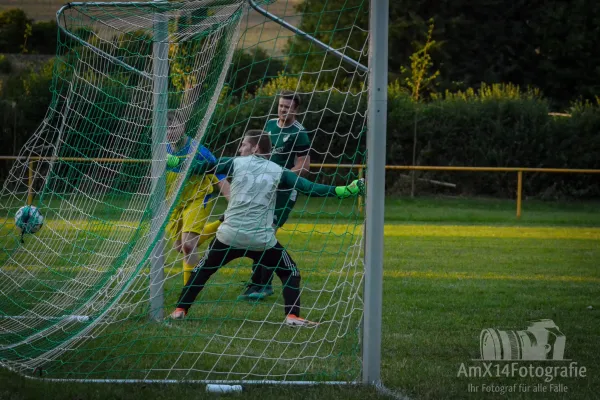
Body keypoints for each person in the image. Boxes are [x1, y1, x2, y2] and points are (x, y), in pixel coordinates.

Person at [168, 130, 363, 327]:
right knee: (290, 272)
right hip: (260, 240)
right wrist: (345, 190)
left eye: (244, 144)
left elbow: (201, 167)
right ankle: (292, 316)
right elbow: (310, 188)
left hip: (229, 235)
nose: (240, 148)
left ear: (255, 148)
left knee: (202, 270)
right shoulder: (279, 171)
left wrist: (174, 162)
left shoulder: (234, 162)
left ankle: (180, 310)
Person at [242, 90, 311, 300]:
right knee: (258, 230)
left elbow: (304, 166)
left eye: (288, 107)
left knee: (266, 231)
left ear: (296, 110)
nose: (283, 110)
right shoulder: (270, 126)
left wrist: (282, 175)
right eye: (281, 105)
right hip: (264, 188)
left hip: (284, 192)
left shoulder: (300, 133)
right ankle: (260, 282)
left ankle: (261, 284)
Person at [165, 111, 230, 285]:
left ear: (183, 126)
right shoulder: (162, 148)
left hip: (198, 197)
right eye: (166, 129)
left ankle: (187, 296)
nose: (169, 132)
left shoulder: (198, 150)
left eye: (173, 127)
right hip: (175, 201)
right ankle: (219, 224)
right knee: (180, 247)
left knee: (188, 246)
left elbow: (219, 173)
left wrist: (233, 201)